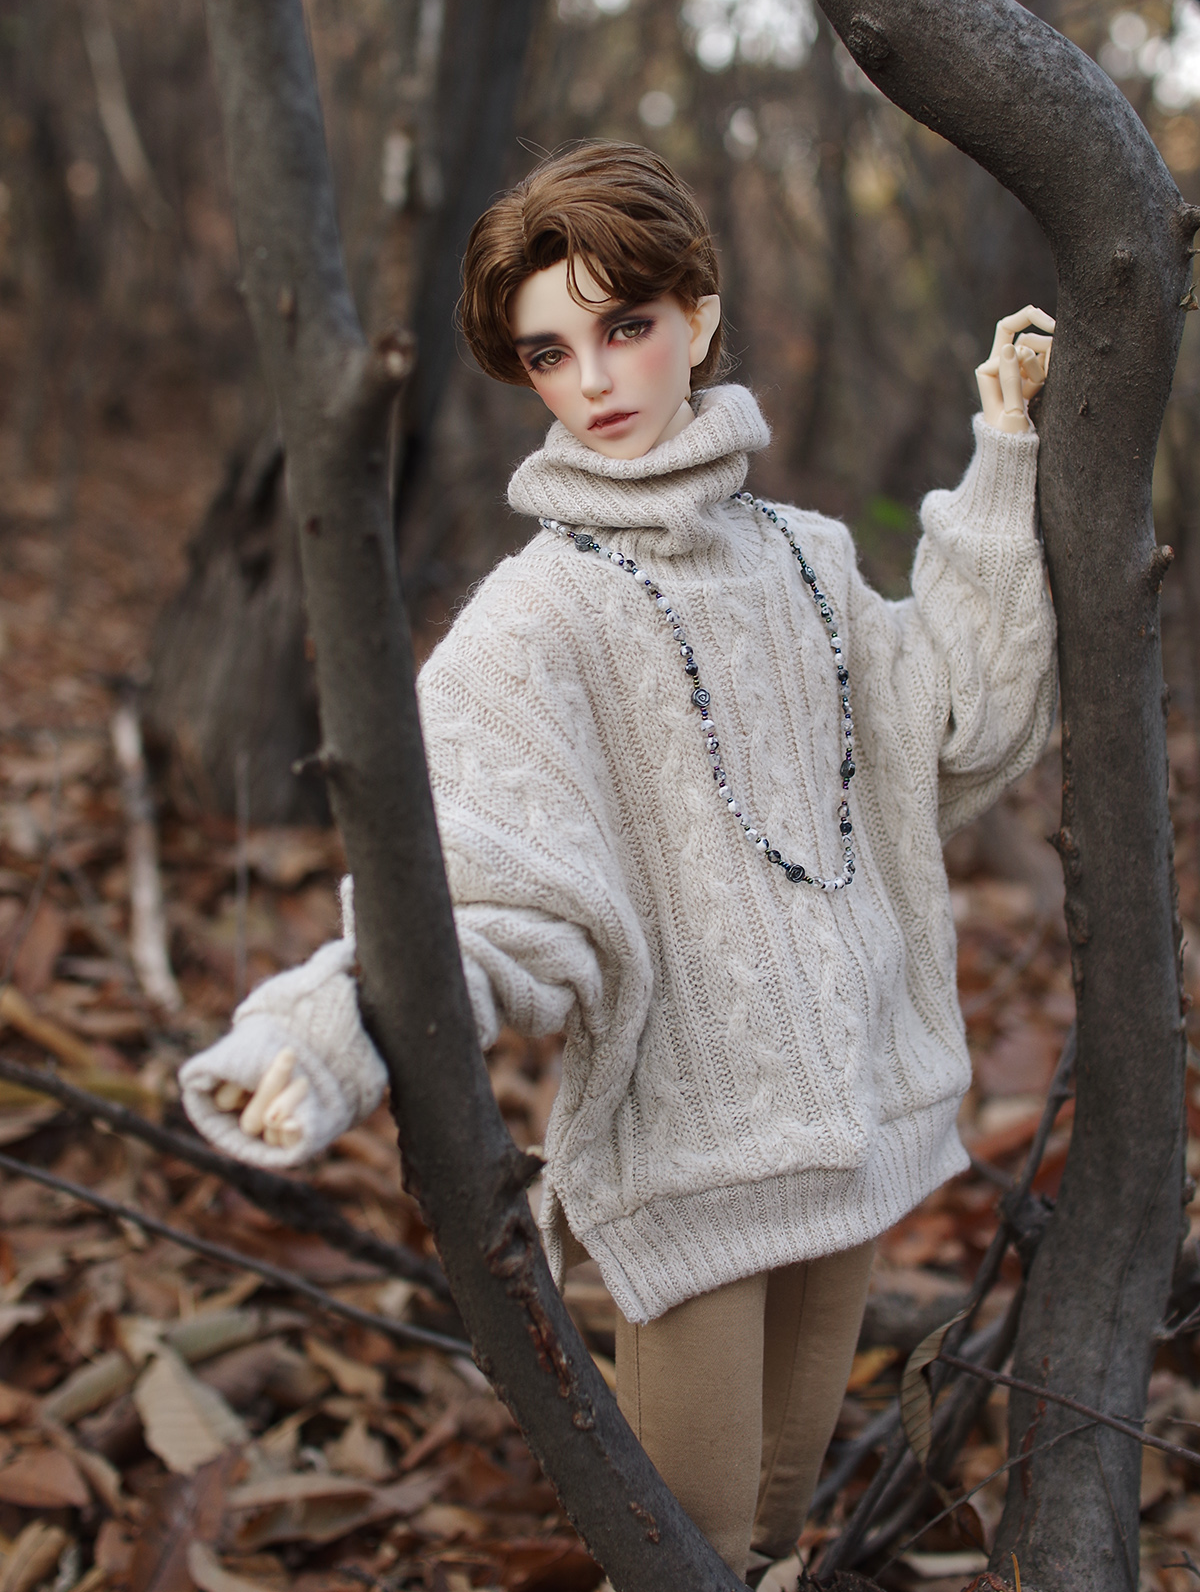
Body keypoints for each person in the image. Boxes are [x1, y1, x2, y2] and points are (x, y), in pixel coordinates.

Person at [179, 143, 1056, 1585]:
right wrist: (325, 1030)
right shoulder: (534, 623)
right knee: (685, 1545)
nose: (593, 380)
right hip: (685, 1161)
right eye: (550, 351)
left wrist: (1005, 460)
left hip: (856, 1121)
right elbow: (477, 895)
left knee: (776, 1524)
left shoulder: (809, 559)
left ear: (699, 317)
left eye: (625, 325)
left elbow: (958, 729)